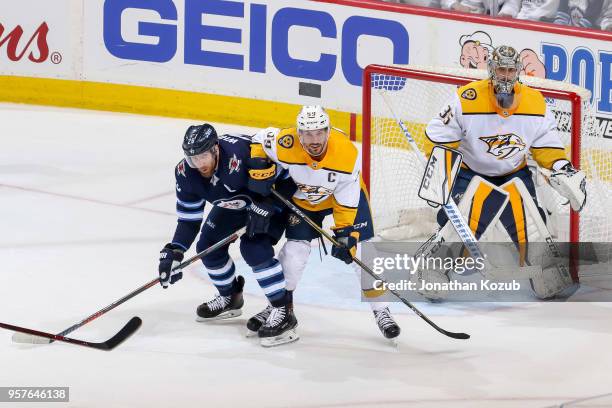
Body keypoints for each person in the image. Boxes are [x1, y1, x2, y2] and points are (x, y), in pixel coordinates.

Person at [423, 45, 586, 293]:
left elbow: (546, 144)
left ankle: (543, 272)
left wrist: (562, 168)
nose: (506, 75)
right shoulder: (467, 98)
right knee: (458, 226)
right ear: (491, 69)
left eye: (511, 70)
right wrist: (441, 175)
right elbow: (439, 136)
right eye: (501, 69)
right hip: (470, 173)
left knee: (533, 226)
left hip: (514, 174)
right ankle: (434, 269)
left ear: (518, 71)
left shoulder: (534, 102)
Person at [247, 106, 401, 341]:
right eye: (308, 134)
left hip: (342, 200)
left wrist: (345, 232)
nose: (314, 140)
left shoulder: (346, 154)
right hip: (305, 200)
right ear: (299, 134)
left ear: (328, 131)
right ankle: (281, 309)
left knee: (360, 250)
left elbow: (347, 197)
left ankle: (381, 311)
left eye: (319, 133)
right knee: (294, 252)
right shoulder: (286, 143)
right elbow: (259, 138)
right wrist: (259, 163)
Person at [157, 124, 297, 347]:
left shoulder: (242, 153)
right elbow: (188, 219)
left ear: (216, 149)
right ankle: (230, 297)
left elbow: (289, 176)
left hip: (267, 201)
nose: (199, 164)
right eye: (192, 158)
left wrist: (270, 205)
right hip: (235, 203)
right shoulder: (185, 173)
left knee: (253, 248)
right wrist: (175, 249)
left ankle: (283, 310)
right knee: (207, 246)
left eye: (203, 156)